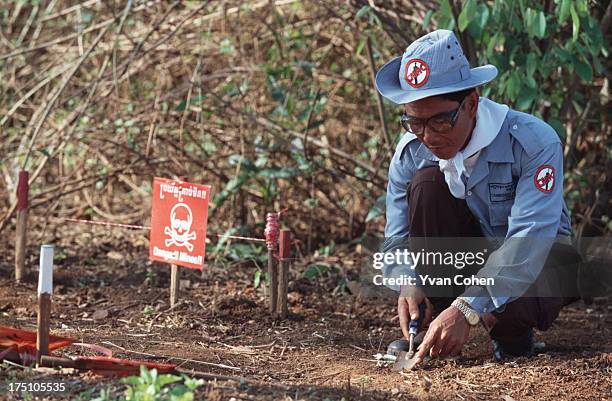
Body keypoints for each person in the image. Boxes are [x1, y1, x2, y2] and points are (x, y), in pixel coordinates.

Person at [375, 29, 582, 363]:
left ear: (471, 104)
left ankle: (511, 335)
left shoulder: (533, 142)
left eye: (440, 121)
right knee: (427, 185)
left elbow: (529, 242)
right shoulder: (411, 152)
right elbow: (396, 240)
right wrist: (408, 281)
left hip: (535, 260)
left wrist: (468, 305)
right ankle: (436, 328)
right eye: (414, 123)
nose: (427, 136)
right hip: (469, 260)